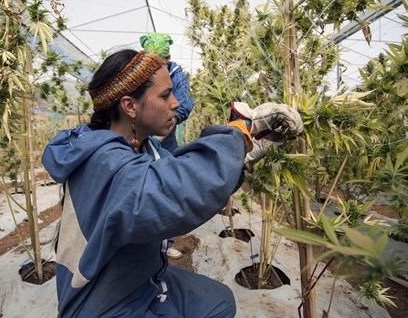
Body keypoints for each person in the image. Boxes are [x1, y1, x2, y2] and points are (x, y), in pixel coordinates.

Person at [42, 49, 303, 317]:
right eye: (166, 95)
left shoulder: (143, 149)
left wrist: (241, 157)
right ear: (130, 105)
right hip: (104, 303)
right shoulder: (102, 162)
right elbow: (174, 192)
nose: (176, 103)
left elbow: (182, 172)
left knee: (220, 301)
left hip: (142, 283)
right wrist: (238, 133)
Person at [139, 32, 194, 259]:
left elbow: (183, 106)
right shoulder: (136, 73)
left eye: (160, 62)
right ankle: (142, 242)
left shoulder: (176, 75)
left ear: (168, 58)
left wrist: (159, 132)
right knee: (141, 188)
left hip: (164, 139)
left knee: (166, 188)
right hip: (139, 136)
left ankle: (165, 241)